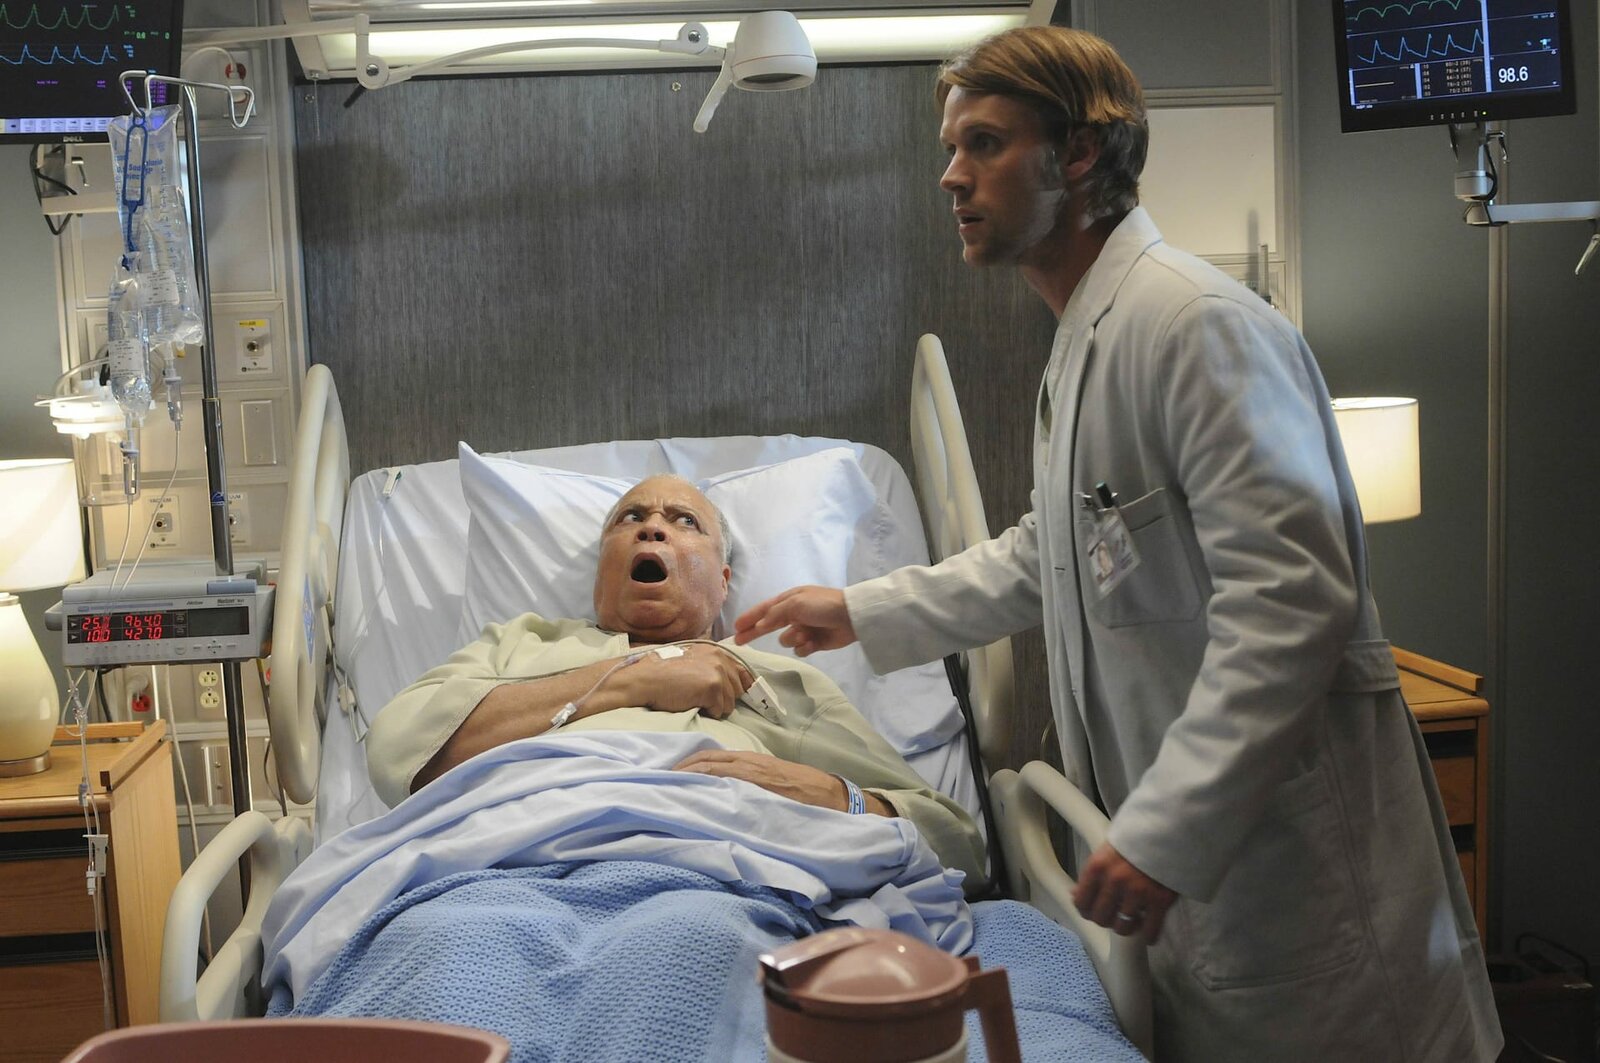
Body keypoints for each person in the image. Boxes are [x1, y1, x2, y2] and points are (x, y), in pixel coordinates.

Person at [733, 26, 1501, 1062]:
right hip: (1210, 883)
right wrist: (863, 611)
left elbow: (1291, 604)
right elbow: (1049, 551)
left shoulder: (1195, 326)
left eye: (985, 143)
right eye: (952, 148)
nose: (951, 176)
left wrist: (1163, 827)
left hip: (1294, 877)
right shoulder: (1089, 340)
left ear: (1080, 153)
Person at [363, 473, 987, 888]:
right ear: (600, 575)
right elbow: (396, 752)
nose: (652, 526)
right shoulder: (521, 644)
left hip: (710, 884)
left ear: (723, 581)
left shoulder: (775, 678)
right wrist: (634, 679)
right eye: (630, 518)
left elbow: (958, 847)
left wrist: (829, 795)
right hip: (498, 879)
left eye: (685, 521)